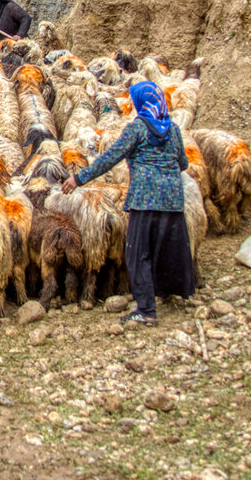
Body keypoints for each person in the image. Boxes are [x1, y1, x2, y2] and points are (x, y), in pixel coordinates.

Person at [61, 81, 195, 326]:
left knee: (138, 252)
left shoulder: (138, 129)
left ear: (142, 102)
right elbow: (183, 163)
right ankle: (167, 292)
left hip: (145, 198)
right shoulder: (173, 129)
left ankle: (146, 310)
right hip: (173, 199)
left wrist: (78, 178)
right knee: (167, 247)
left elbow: (111, 157)